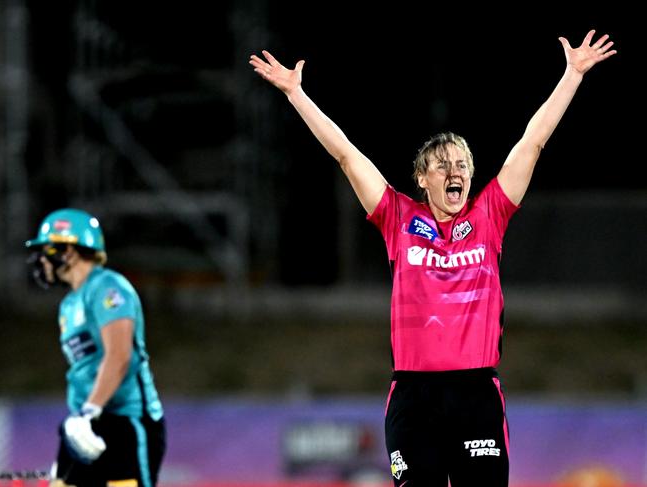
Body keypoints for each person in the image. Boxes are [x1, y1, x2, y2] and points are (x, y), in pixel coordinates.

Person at [250, 29, 616, 486]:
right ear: (422, 179)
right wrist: (295, 94)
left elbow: (532, 142)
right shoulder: (396, 217)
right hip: (413, 397)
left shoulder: (490, 215)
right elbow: (345, 155)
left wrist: (572, 76)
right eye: (441, 165)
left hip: (476, 394)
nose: (453, 171)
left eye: (461, 164)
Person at [25, 208, 166, 487]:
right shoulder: (69, 305)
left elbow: (119, 355)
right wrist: (80, 424)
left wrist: (89, 411)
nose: (41, 259)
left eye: (45, 250)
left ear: (68, 250)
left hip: (126, 423)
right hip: (86, 424)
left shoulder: (107, 287)